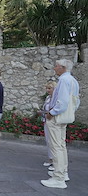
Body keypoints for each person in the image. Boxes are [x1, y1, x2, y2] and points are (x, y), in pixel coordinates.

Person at [41, 59, 80, 189]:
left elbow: (62, 101)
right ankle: (63, 172)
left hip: (57, 118)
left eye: (56, 66)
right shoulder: (73, 81)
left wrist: (51, 113)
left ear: (62, 67)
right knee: (61, 146)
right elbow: (76, 101)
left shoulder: (63, 80)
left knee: (56, 147)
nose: (55, 68)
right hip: (66, 117)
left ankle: (58, 177)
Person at [37, 81, 57, 169]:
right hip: (46, 120)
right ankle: (50, 159)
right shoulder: (48, 98)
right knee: (48, 141)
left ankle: (55, 161)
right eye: (47, 88)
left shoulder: (56, 99)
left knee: (53, 141)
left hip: (53, 121)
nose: (48, 90)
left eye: (50, 88)